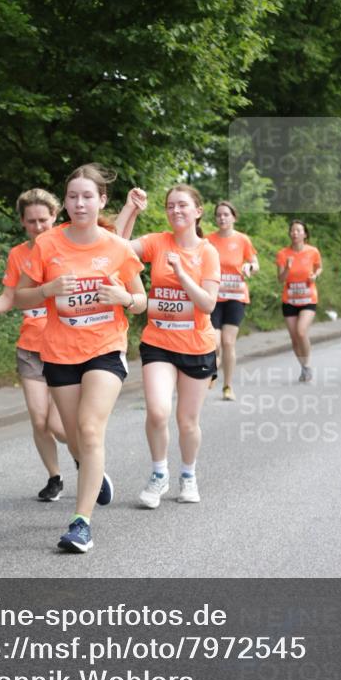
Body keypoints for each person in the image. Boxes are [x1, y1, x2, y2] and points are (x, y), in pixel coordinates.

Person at [15, 164, 146, 553]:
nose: (79, 203)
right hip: (58, 352)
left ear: (102, 200)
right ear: (65, 202)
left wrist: (124, 299)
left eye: (88, 196)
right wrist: (49, 289)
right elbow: (21, 297)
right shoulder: (47, 245)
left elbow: (140, 301)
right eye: (73, 196)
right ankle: (94, 471)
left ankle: (80, 523)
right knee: (74, 437)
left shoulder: (117, 247)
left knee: (89, 429)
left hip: (106, 348)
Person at [120, 185, 220, 509]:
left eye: (182, 205)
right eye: (170, 206)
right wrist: (130, 209)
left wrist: (181, 274)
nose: (175, 211)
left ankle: (188, 475)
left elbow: (206, 304)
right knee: (158, 411)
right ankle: (159, 473)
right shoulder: (156, 242)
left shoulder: (208, 252)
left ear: (197, 211)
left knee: (187, 421)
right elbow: (114, 249)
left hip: (197, 346)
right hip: (158, 342)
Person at [0, 188, 68, 501]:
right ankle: (55, 477)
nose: (38, 227)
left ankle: (87, 459)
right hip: (30, 347)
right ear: (23, 222)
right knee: (40, 420)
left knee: (60, 423)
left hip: (67, 345)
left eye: (44, 220)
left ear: (55, 217)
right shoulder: (18, 255)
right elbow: (9, 298)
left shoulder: (70, 248)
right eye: (31, 221)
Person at [206, 201, 259, 401]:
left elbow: (255, 262)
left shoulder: (243, 240)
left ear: (233, 217)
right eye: (218, 215)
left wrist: (249, 268)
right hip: (214, 297)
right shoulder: (208, 240)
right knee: (214, 342)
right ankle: (213, 367)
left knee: (228, 342)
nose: (222, 218)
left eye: (226, 214)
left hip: (236, 296)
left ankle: (227, 386)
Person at [276, 220, 322, 382]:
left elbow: (319, 267)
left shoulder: (313, 251)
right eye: (292, 231)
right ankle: (303, 367)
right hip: (289, 300)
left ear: (305, 234)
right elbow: (281, 279)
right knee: (294, 337)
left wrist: (315, 275)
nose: (295, 233)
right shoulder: (283, 253)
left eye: (298, 230)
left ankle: (308, 364)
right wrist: (287, 269)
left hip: (308, 298)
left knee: (301, 331)